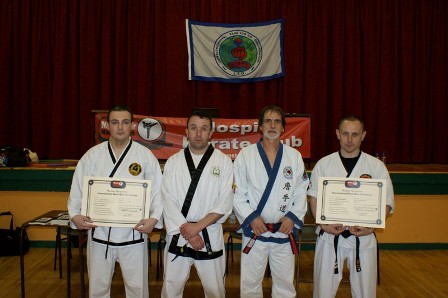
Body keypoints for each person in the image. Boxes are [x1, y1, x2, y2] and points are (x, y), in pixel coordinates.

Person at [67, 105, 163, 298]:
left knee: (138, 289)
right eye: (115, 122)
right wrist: (75, 214)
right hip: (99, 234)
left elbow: (157, 192)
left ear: (132, 126)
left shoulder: (145, 156)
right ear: (107, 126)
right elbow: (77, 189)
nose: (120, 127)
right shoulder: (92, 156)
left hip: (134, 235)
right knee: (98, 289)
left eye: (125, 122)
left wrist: (154, 218)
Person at [307, 115, 395, 298]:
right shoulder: (324, 164)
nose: (349, 139)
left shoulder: (376, 166)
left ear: (363, 135)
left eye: (355, 134)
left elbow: (386, 202)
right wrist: (323, 224)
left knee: (365, 293)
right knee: (322, 291)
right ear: (338, 134)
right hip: (329, 237)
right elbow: (313, 197)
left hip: (363, 238)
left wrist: (370, 226)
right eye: (345, 133)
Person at [233, 105, 309, 298]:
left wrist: (292, 217)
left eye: (277, 121)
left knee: (285, 286)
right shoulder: (246, 155)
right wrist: (251, 218)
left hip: (284, 230)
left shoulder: (294, 156)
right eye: (268, 121)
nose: (272, 125)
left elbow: (301, 191)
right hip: (255, 231)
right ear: (260, 126)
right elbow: (237, 193)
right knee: (250, 285)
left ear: (283, 127)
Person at [161, 110, 233, 298]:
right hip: (179, 233)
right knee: (171, 290)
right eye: (194, 128)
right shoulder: (173, 162)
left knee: (215, 290)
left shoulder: (223, 162)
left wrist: (197, 228)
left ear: (211, 133)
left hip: (209, 232)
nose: (198, 133)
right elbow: (167, 200)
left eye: (203, 129)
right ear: (186, 131)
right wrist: (188, 231)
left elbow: (224, 202)